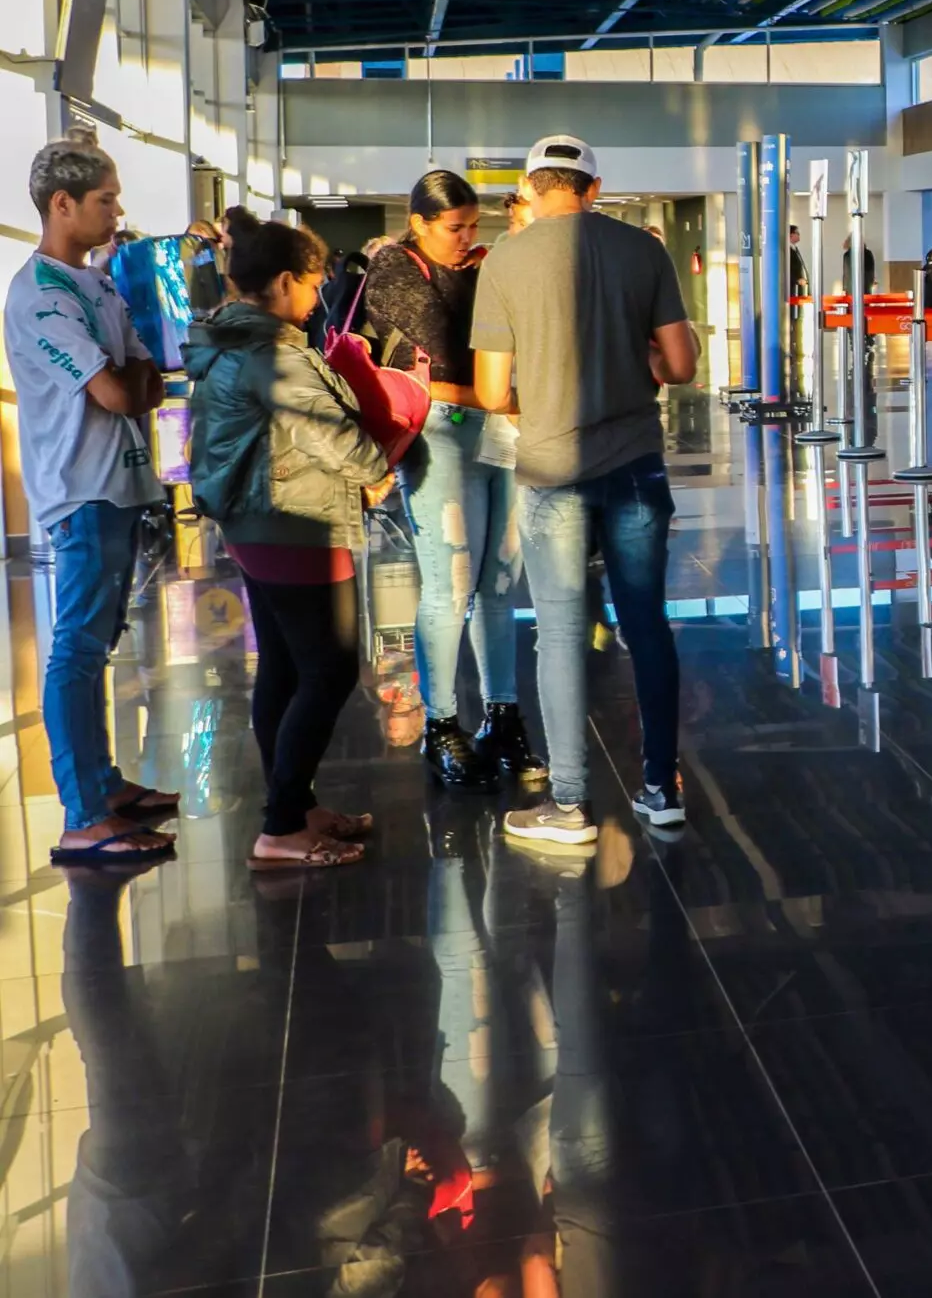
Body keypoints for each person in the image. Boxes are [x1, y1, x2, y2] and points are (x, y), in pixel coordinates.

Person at [472, 135, 697, 845]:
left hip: (549, 470)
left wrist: (536, 403)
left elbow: (488, 389)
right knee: (647, 623)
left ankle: (567, 804)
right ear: (594, 188)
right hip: (636, 464)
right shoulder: (643, 251)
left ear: (533, 187)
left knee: (562, 632)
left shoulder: (505, 258)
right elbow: (683, 364)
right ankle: (661, 789)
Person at [186, 220, 390, 869]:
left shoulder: (228, 337)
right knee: (328, 673)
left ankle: (295, 806)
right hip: (294, 522)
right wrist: (379, 470)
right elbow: (330, 434)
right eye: (313, 279)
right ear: (281, 282)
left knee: (282, 667)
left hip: (257, 523)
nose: (319, 290)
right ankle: (279, 827)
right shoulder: (274, 353)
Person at [10, 141, 178, 864]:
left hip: (119, 483)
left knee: (98, 644)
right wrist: (130, 379)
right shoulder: (41, 295)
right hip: (79, 491)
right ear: (62, 205)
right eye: (106, 199)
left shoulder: (100, 286)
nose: (117, 212)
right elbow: (115, 391)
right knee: (75, 650)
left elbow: (152, 377)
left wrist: (132, 378)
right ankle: (81, 811)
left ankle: (104, 783)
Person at [356, 169, 543, 787]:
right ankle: (441, 725)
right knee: (450, 581)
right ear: (419, 223)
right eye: (454, 228)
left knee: (498, 580)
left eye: (473, 226)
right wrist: (508, 395)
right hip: (440, 433)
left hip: (497, 428)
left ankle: (502, 714)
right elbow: (437, 356)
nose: (466, 238)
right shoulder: (395, 271)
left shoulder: (482, 264)